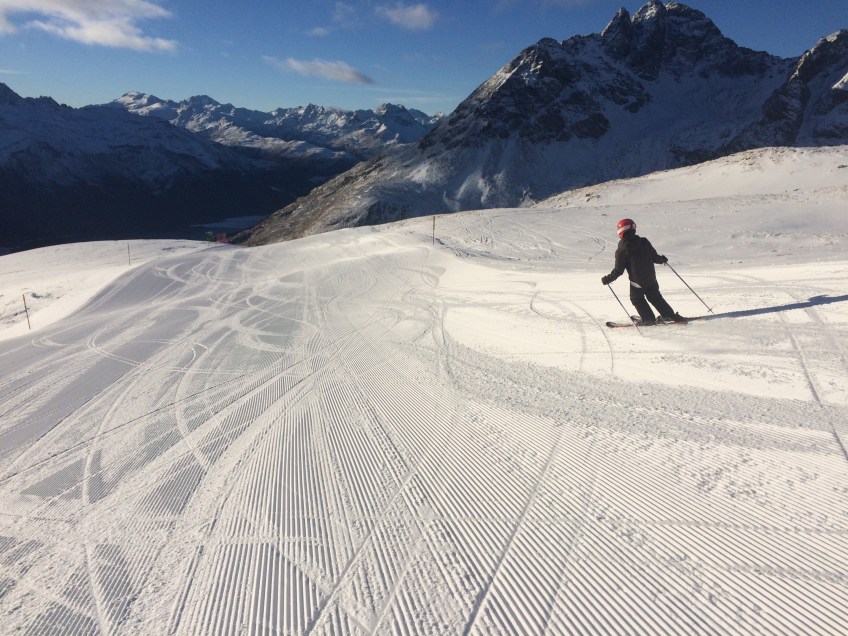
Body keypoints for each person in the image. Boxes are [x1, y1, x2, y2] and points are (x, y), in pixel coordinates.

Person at [601, 218, 686, 324]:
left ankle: (648, 319)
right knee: (655, 297)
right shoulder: (644, 242)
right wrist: (662, 259)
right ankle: (669, 315)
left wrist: (607, 279)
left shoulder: (621, 251)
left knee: (637, 299)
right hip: (651, 279)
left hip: (637, 283)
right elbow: (655, 258)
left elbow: (619, 270)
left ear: (621, 232)